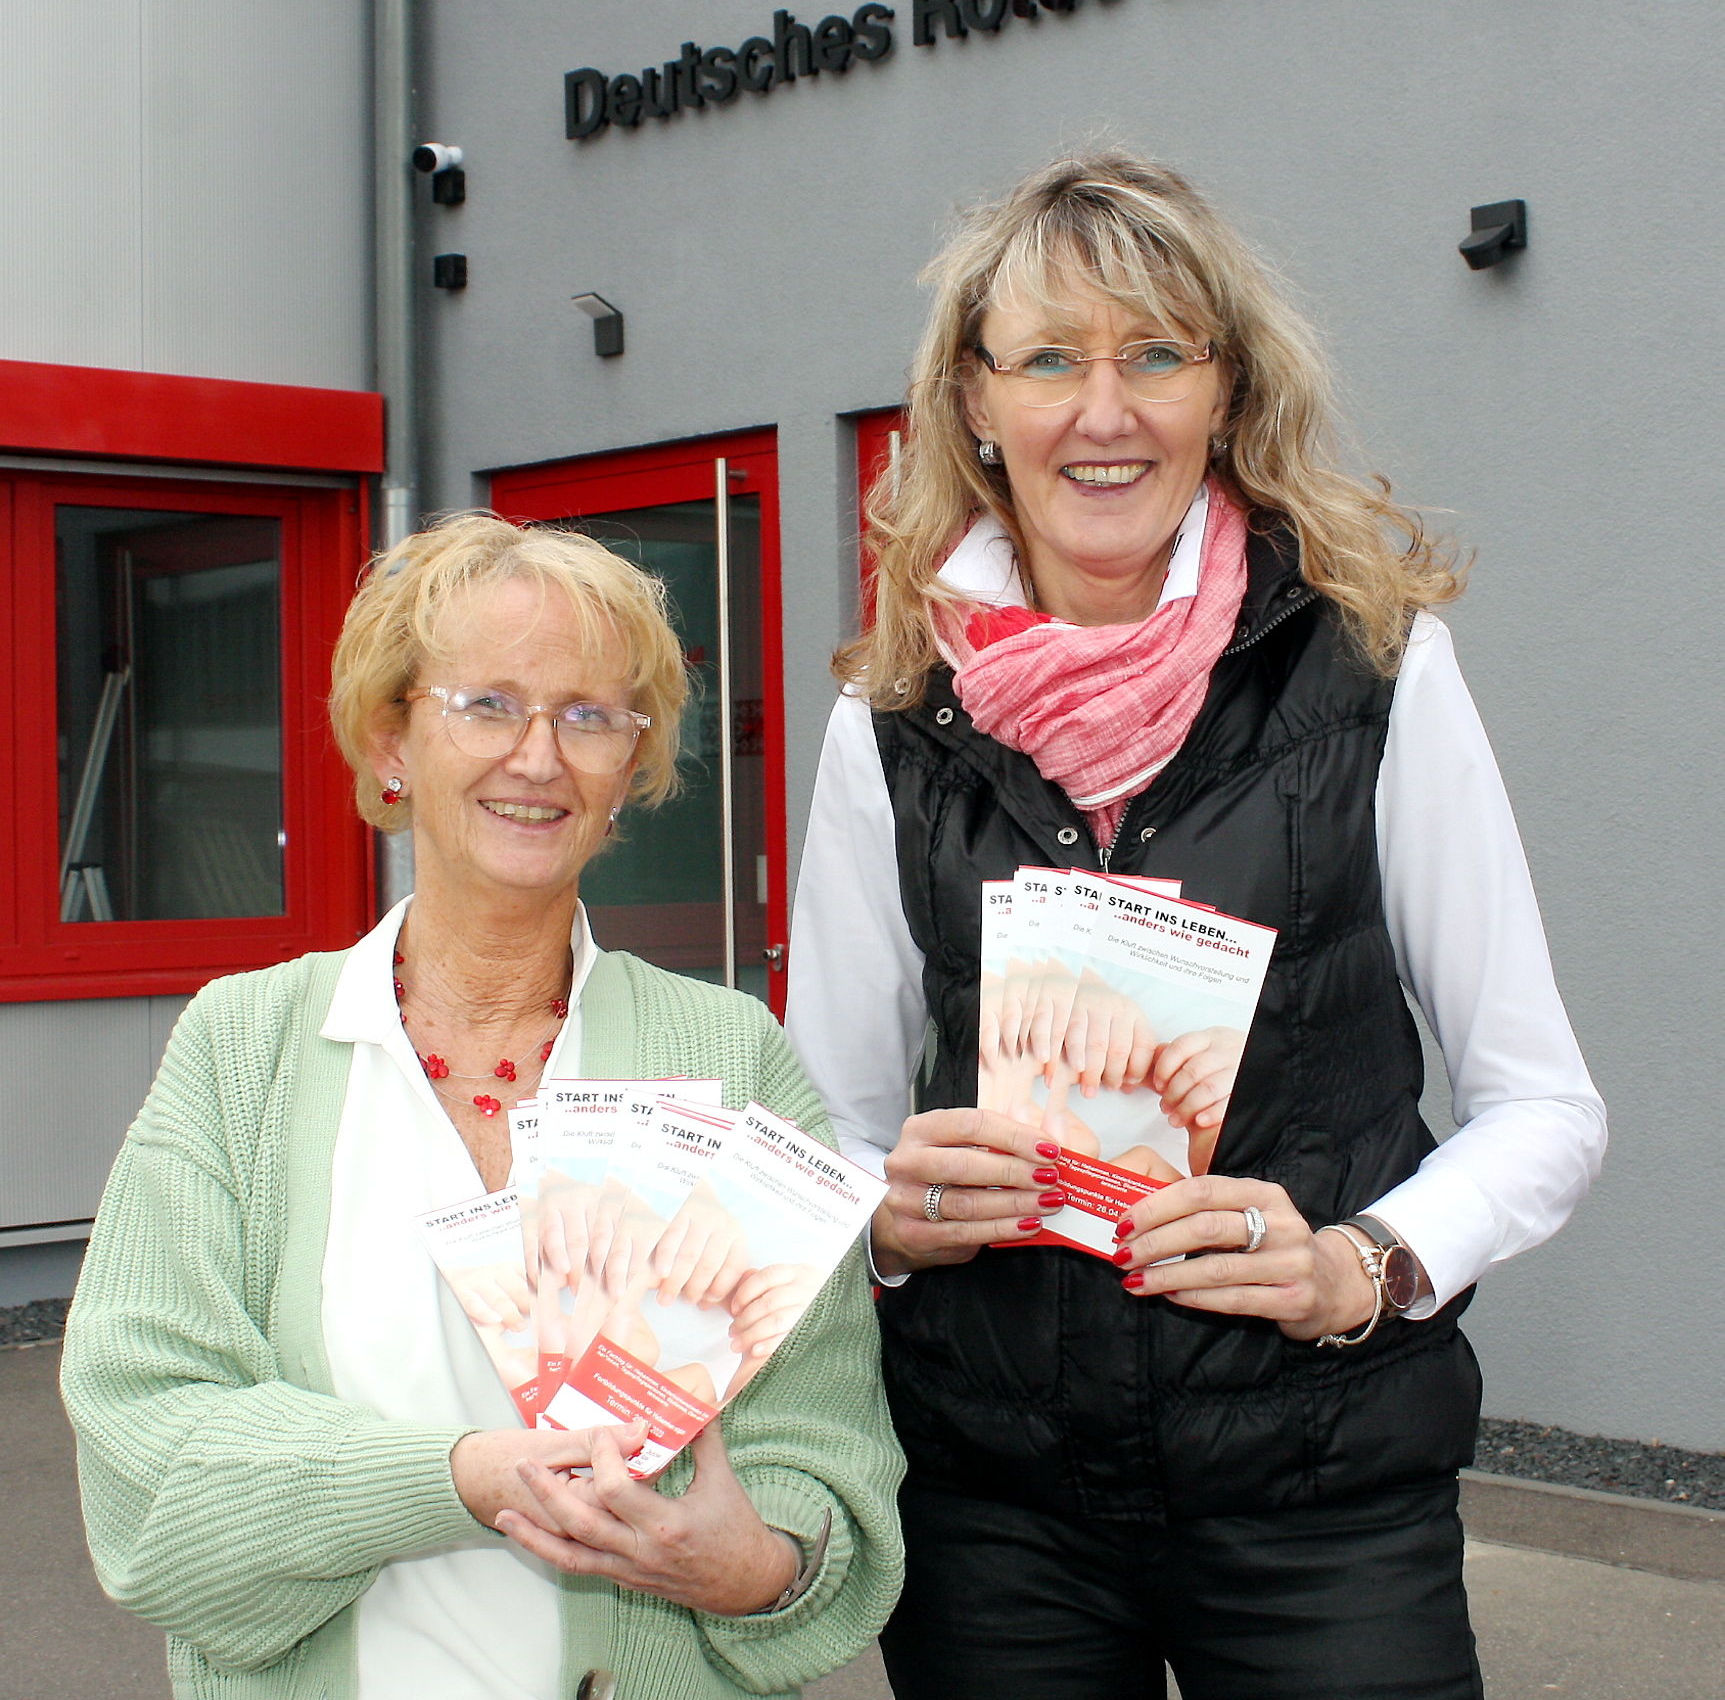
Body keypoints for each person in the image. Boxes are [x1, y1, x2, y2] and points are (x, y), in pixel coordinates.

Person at [785, 151, 1606, 1700]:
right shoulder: (890, 716)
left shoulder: (1372, 667)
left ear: (1224, 392)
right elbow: (824, 1128)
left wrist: (1362, 1267)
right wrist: (884, 1221)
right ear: (974, 401)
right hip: (994, 1513)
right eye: (1049, 359)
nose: (1104, 412)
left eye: (1155, 354)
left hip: (1320, 1489)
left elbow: (1544, 1108)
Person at [62, 513, 904, 1700]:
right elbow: (148, 1457)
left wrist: (757, 1565)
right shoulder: (243, 1049)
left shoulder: (731, 1058)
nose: (539, 757)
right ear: (390, 737)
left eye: (590, 715)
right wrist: (459, 1480)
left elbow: (827, 1453)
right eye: (489, 705)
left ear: (631, 768)